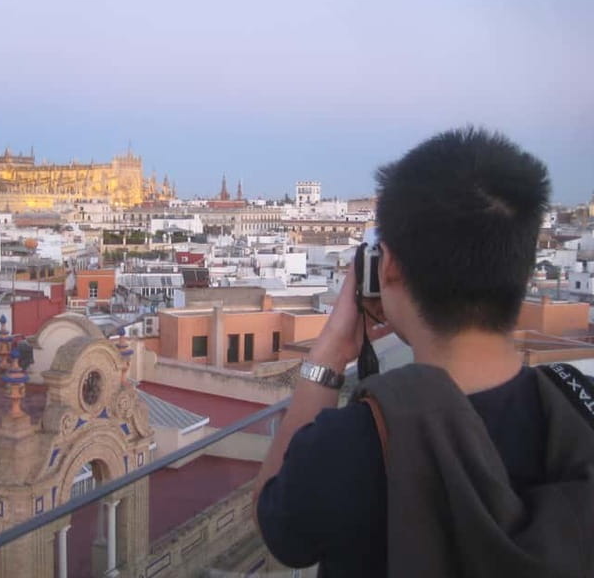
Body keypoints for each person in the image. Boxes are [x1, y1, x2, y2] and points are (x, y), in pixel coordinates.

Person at [253, 127, 594, 577]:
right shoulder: (578, 407)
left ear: (387, 266)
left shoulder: (355, 441)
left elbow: (277, 527)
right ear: (523, 266)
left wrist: (331, 352)